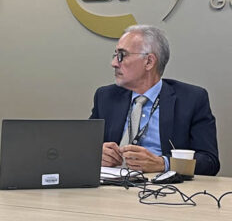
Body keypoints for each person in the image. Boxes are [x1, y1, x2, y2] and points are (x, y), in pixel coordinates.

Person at [90, 25, 220, 175]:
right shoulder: (105, 97)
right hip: (110, 187)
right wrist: (97, 154)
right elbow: (82, 146)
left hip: (165, 190)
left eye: (122, 55)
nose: (114, 63)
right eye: (115, 55)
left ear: (149, 62)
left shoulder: (191, 100)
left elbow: (210, 162)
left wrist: (163, 163)